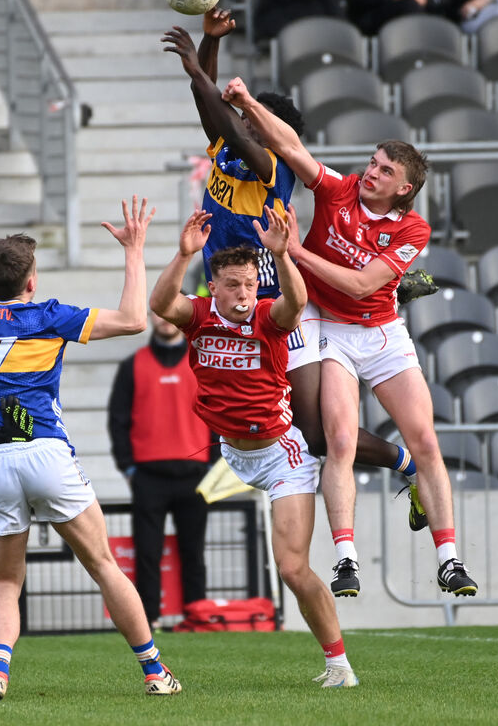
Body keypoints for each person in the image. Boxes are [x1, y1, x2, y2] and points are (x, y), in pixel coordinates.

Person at [162, 13, 426, 597]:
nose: (239, 123)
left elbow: (229, 124)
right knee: (297, 429)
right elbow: (212, 111)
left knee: (317, 434)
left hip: (279, 306)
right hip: (233, 302)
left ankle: (405, 464)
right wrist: (208, 46)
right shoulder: (228, 149)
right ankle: (286, 462)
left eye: (251, 121)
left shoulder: (271, 165)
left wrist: (198, 69)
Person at [0, 174, 181, 701]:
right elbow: (133, 319)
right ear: (30, 282)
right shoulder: (50, 316)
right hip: (46, 453)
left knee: (6, 581)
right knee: (103, 565)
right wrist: (134, 249)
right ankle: (154, 672)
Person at [222, 75, 478, 598]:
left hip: (380, 331)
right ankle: (346, 561)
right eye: (373, 162)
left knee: (426, 440)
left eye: (385, 171)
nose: (371, 172)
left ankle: (449, 560)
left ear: (403, 189)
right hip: (325, 325)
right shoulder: (340, 189)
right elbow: (292, 148)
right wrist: (246, 101)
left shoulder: (413, 229)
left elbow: (362, 285)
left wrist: (295, 251)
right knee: (335, 440)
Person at [150, 206, 358, 687]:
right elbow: (161, 304)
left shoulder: (268, 316)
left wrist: (282, 257)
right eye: (233, 285)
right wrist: (183, 255)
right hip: (231, 451)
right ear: (214, 288)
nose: (244, 293)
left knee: (292, 569)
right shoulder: (199, 315)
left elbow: (296, 302)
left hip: (281, 455)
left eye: (249, 284)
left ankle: (339, 665)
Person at [108, 311, 214, 630]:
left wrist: (213, 462)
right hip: (148, 476)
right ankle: (148, 621)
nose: (164, 319)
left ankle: (196, 617)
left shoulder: (202, 362)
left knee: (193, 552)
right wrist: (128, 468)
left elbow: (219, 411)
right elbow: (118, 420)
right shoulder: (132, 366)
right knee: (147, 553)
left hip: (195, 474)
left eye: (170, 312)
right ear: (150, 317)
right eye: (158, 313)